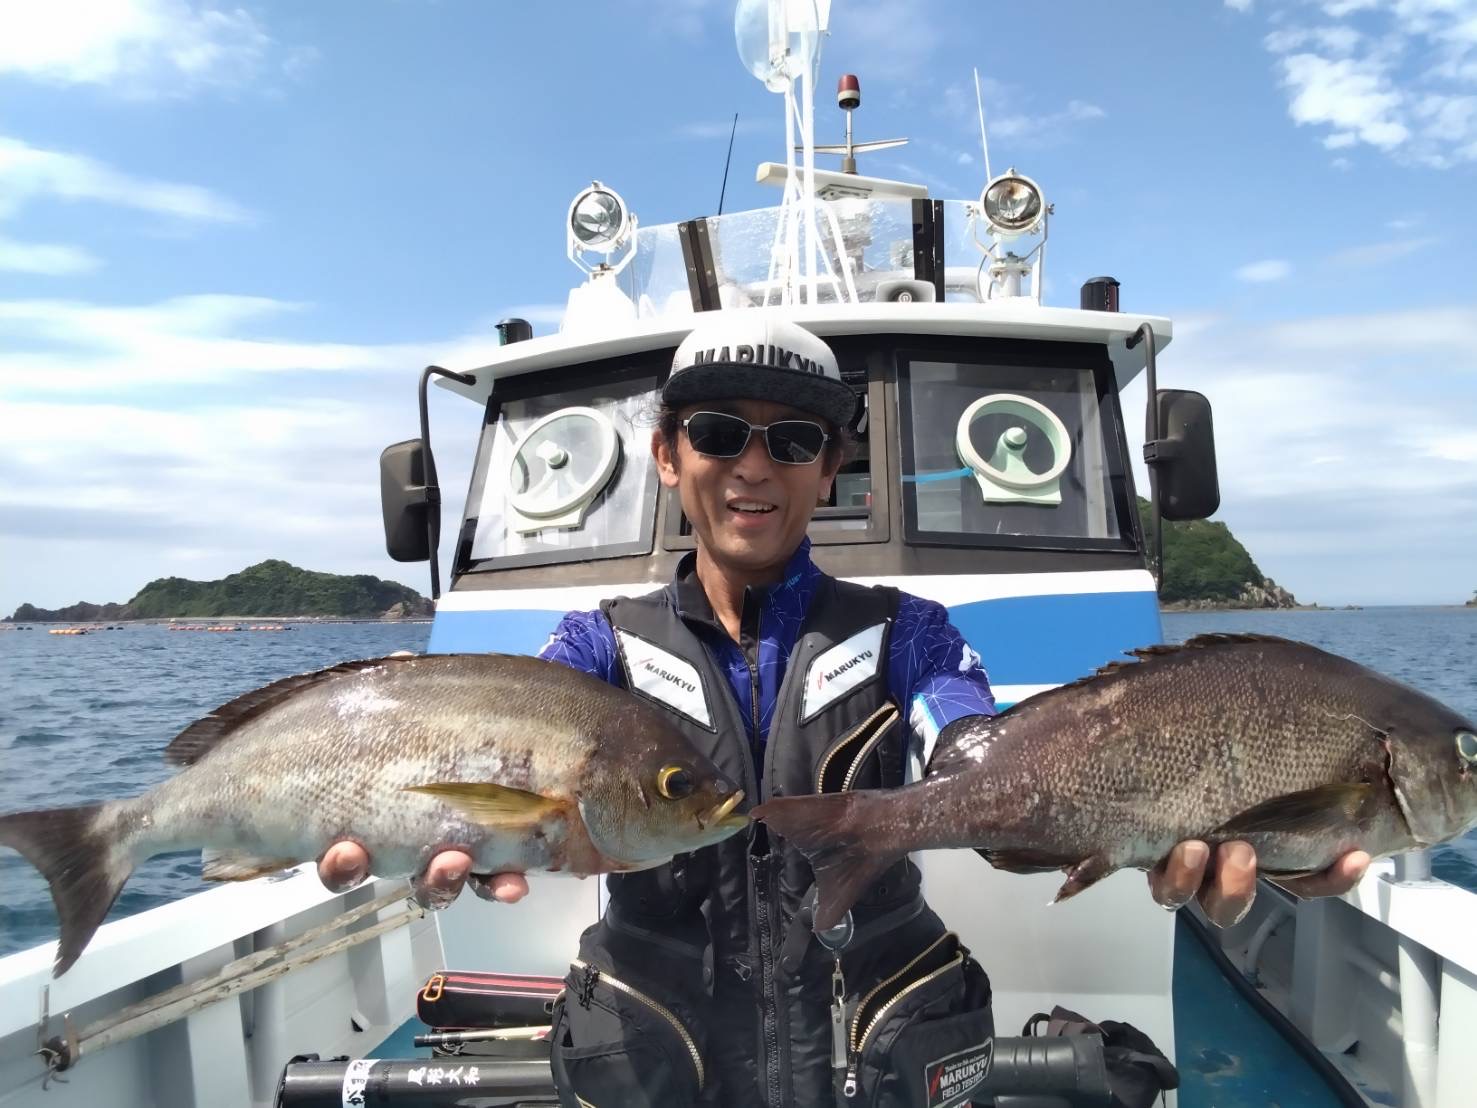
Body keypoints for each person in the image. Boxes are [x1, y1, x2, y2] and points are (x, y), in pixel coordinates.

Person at [320, 318, 1370, 1106]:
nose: (752, 466)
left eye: (792, 441)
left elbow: (974, 758)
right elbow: (503, 762)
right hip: (656, 1041)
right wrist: (429, 824)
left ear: (830, 467)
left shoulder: (914, 635)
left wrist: (1182, 822)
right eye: (718, 433)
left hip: (877, 1038)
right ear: (668, 455)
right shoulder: (591, 650)